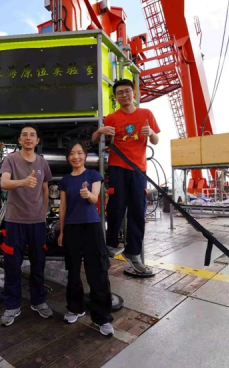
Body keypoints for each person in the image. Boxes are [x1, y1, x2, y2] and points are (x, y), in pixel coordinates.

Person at [91, 79, 161, 275]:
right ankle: (111, 244)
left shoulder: (146, 114)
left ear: (133, 93)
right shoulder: (112, 118)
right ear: (115, 97)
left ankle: (134, 252)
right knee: (116, 206)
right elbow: (94, 140)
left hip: (138, 169)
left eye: (127, 91)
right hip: (117, 168)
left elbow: (156, 140)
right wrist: (100, 131)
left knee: (138, 210)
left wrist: (151, 133)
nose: (124, 95)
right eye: (120, 92)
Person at [57, 140, 114, 336]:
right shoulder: (65, 180)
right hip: (71, 228)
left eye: (79, 153)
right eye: (72, 153)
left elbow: (95, 198)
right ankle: (75, 308)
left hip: (92, 227)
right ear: (68, 157)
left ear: (85, 155)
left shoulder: (93, 175)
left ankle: (102, 318)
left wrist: (88, 194)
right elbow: (63, 207)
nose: (76, 157)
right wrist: (62, 232)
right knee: (73, 271)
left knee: (97, 271)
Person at [0, 124, 53, 326]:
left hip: (37, 222)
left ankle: (38, 301)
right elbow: (4, 183)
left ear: (37, 140)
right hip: (15, 221)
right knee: (12, 265)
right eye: (24, 135)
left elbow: (45, 189)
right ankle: (12, 305)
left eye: (32, 135)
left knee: (38, 264)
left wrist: (43, 212)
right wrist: (22, 182)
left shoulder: (42, 162)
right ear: (19, 140)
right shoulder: (11, 159)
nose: (28, 138)